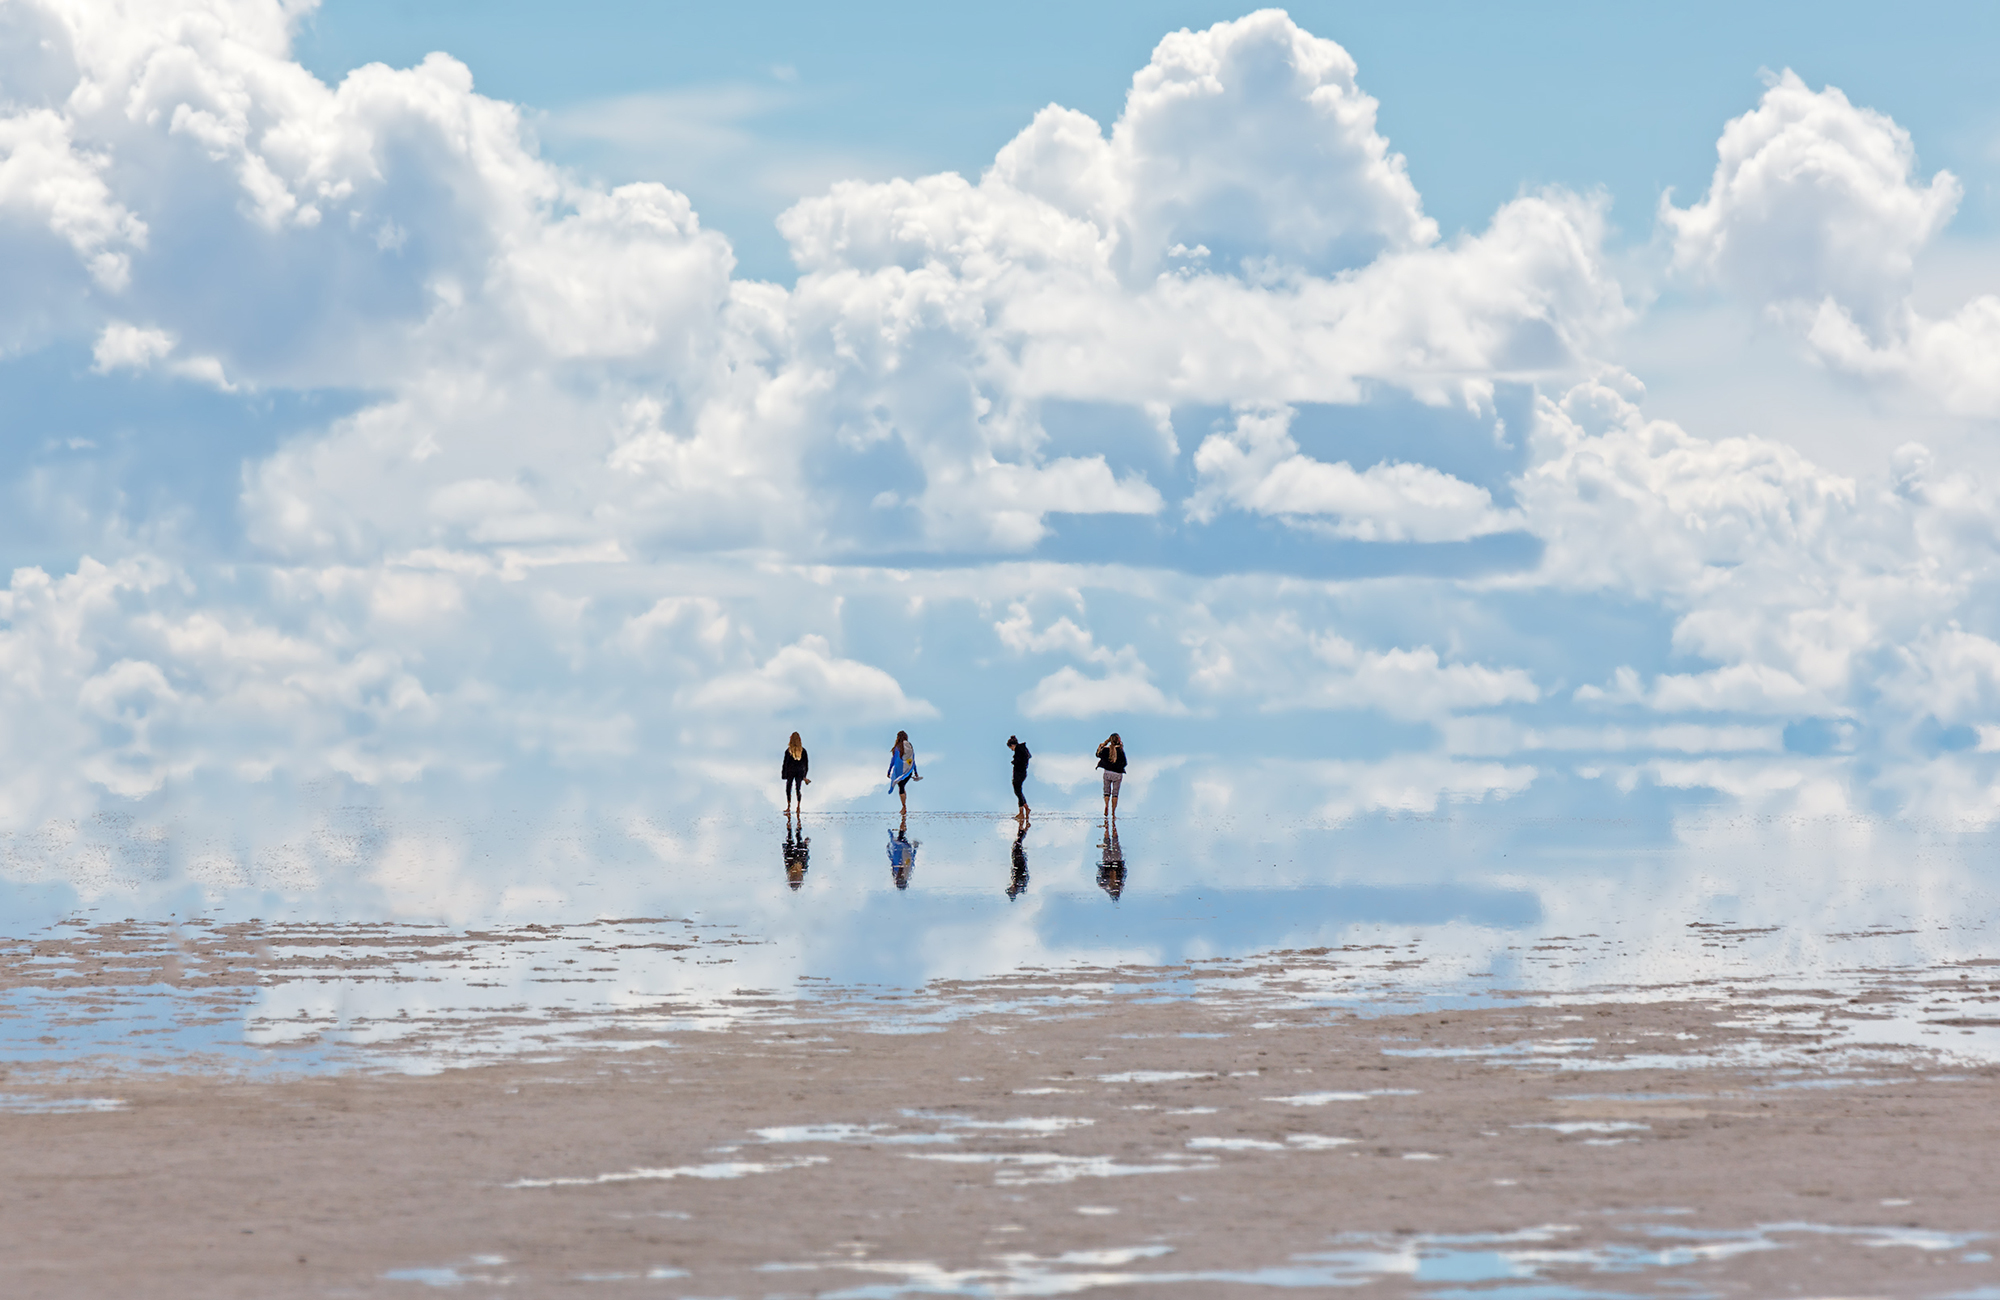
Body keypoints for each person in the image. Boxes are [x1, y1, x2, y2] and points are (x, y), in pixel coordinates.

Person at [1095, 732, 1128, 820]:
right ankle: (1113, 812)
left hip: (1107, 773)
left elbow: (1098, 754)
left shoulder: (1106, 750)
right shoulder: (1120, 751)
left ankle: (1106, 805)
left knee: (1106, 791)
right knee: (1115, 793)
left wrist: (1100, 747)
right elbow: (1125, 763)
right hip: (1117, 774)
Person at [886, 730, 919, 813]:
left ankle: (904, 807)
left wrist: (889, 771)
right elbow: (912, 760)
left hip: (899, 771)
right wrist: (915, 771)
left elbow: (893, 760)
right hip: (908, 770)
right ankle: (904, 806)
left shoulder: (897, 747)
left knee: (901, 786)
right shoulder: (909, 747)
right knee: (902, 786)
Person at [782, 732, 810, 813]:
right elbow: (806, 764)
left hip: (790, 772)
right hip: (800, 772)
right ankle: (798, 806)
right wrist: (804, 775)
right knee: (798, 789)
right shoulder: (803, 751)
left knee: (788, 789)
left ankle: (788, 806)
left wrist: (784, 774)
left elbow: (785, 764)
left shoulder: (788, 751)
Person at [1097, 821, 1126, 901]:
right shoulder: (1106, 884)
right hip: (1112, 861)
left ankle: (1111, 825)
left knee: (1113, 841)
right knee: (1111, 841)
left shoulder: (1117, 883)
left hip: (1114, 861)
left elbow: (1124, 870)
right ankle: (1110, 825)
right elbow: (1099, 876)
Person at [1006, 735, 1032, 821]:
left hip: (1019, 773)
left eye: (1011, 748)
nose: (1011, 749)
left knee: (1017, 790)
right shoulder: (1022, 749)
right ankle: (1026, 809)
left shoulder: (1019, 750)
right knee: (1018, 791)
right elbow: (1028, 757)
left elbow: (1020, 760)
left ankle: (1022, 812)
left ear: (1013, 745)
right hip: (1022, 773)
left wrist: (1014, 762)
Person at [887, 820, 918, 890]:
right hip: (904, 848)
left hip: (898, 848)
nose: (899, 879)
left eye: (899, 882)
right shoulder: (907, 870)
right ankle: (903, 820)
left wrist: (888, 850)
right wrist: (915, 848)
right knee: (901, 835)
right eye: (901, 881)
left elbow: (892, 859)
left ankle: (901, 821)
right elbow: (912, 859)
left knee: (900, 836)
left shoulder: (896, 871)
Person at [783, 822, 810, 891]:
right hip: (798, 855)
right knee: (796, 839)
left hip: (795, 855)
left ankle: (793, 827)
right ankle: (794, 827)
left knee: (793, 839)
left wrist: (806, 846)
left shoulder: (790, 871)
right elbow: (805, 859)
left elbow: (786, 859)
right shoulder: (801, 870)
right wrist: (806, 846)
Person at [1007, 821, 1029, 901]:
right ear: (1013, 891)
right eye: (1010, 889)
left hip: (1018, 862)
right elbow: (1022, 872)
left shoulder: (1019, 885)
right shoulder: (1019, 884)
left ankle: (1023, 826)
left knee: (1017, 843)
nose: (1010, 887)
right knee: (1017, 844)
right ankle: (1024, 826)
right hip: (1019, 862)